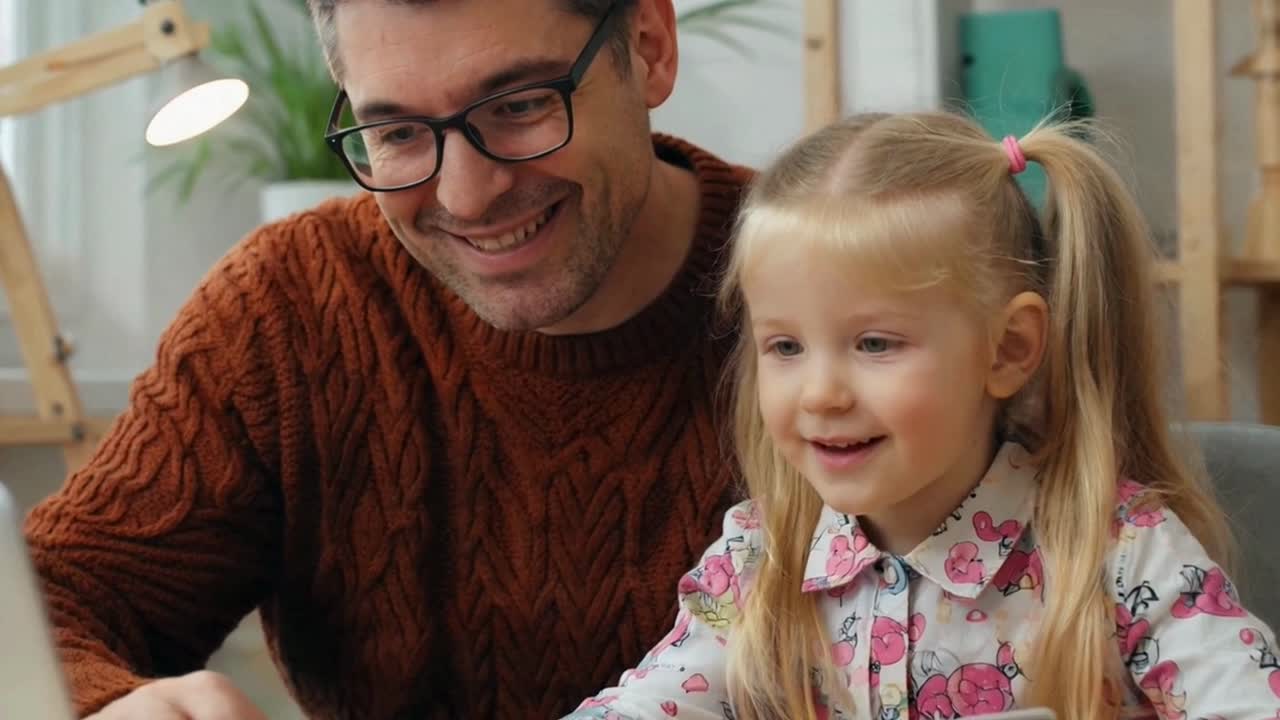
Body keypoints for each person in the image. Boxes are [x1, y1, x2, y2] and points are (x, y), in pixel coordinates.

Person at [23, 0, 752, 717]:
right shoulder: (296, 307)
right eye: (398, 131)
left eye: (521, 106)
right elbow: (51, 598)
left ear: (651, 47)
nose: (465, 198)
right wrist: (112, 704)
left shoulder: (835, 300)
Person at [562, 111, 1280, 720]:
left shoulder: (1123, 553)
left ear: (1008, 348)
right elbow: (646, 703)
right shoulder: (759, 560)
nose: (819, 394)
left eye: (875, 343)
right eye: (785, 345)